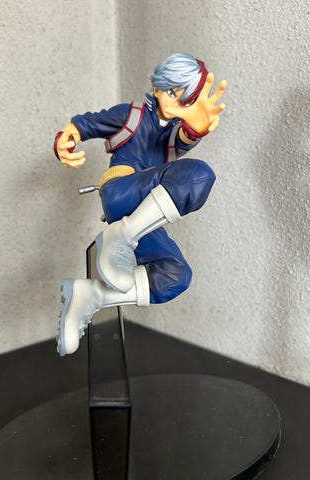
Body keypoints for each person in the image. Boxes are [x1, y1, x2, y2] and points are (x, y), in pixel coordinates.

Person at [54, 53, 226, 355]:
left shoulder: (173, 133)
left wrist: (196, 130)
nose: (175, 102)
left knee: (176, 275)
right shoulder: (131, 115)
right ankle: (121, 237)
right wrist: (65, 140)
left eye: (184, 98)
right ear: (158, 86)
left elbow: (183, 139)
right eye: (172, 91)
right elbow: (86, 125)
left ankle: (91, 296)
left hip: (143, 217)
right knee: (199, 175)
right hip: (121, 193)